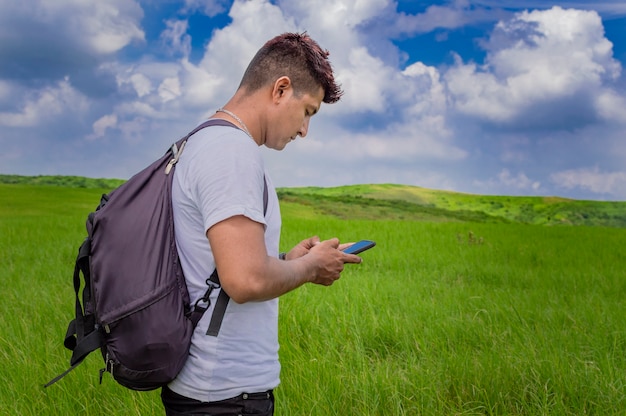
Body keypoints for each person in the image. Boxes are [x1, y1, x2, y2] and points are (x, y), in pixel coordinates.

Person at [161, 32, 362, 415]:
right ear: (281, 89)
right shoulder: (232, 152)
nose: (305, 130)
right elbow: (245, 280)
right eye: (308, 112)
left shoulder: (204, 140)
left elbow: (217, 266)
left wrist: (286, 258)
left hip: (212, 391)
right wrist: (311, 267)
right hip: (223, 397)